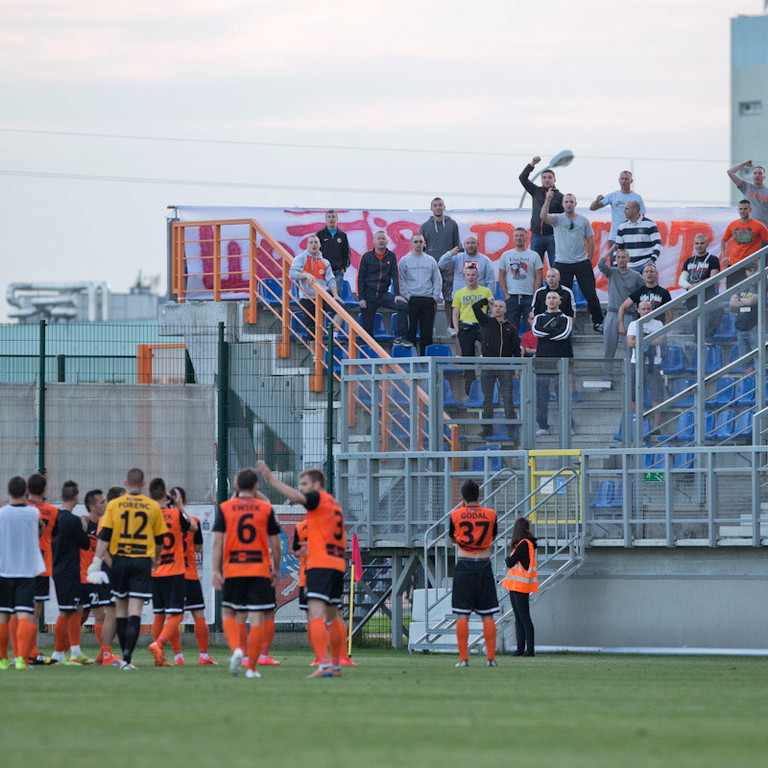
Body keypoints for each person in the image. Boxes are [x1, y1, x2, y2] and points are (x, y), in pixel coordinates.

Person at [256, 462, 349, 679]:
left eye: (305, 484)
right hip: (336, 564)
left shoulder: (317, 497)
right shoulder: (333, 505)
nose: (302, 488)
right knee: (333, 615)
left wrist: (271, 479)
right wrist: (312, 546)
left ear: (317, 484)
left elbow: (298, 498)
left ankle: (324, 664)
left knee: (315, 614)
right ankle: (335, 665)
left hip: (320, 566)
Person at [87, 468, 167, 671]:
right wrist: (156, 559)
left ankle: (125, 660)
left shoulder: (114, 505)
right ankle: (128, 658)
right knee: (135, 611)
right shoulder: (152, 506)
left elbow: (104, 536)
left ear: (125, 483)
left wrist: (96, 562)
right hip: (141, 560)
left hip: (120, 561)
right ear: (143, 484)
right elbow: (159, 540)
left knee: (120, 610)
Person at [211, 468, 281, 680]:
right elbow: (276, 544)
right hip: (259, 568)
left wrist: (215, 569)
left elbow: (217, 542)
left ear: (236, 486)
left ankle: (237, 650)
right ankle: (251, 668)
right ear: (257, 485)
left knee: (228, 613)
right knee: (257, 617)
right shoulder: (265, 508)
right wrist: (276, 569)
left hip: (233, 568)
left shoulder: (225, 508)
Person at [449, 480, 499, 668]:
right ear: (479, 495)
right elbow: (492, 536)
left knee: (462, 616)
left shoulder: (455, 514)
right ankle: (491, 658)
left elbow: (453, 537)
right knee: (488, 615)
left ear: (462, 496)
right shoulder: (491, 514)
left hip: (464, 565)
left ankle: (464, 659)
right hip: (484, 565)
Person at [540, 189, 604, 333]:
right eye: (566, 202)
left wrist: (588, 259)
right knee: (562, 296)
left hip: (581, 262)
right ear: (563, 204)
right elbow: (543, 216)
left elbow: (591, 240)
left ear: (575, 203)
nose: (569, 204)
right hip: (562, 263)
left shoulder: (583, 220)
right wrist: (548, 200)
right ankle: (564, 323)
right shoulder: (557, 219)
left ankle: (598, 322)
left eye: (571, 202)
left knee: (590, 294)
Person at [0, 476, 46, 671]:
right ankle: (20, 659)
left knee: (3, 615)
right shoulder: (34, 513)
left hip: (5, 569)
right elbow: (41, 530)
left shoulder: (1, 514)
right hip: (27, 571)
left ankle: (2, 660)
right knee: (24, 614)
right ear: (26, 491)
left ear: (8, 492)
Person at [148, 480, 196, 667]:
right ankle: (158, 644)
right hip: (174, 571)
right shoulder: (175, 514)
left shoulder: (148, 516)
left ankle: (159, 657)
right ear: (166, 496)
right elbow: (193, 527)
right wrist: (180, 506)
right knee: (176, 614)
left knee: (159, 614)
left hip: (155, 571)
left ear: (150, 496)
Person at [173, 487, 216, 665]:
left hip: (171, 574)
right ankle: (203, 655)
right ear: (186, 500)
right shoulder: (195, 521)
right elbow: (198, 548)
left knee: (172, 615)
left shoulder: (163, 520)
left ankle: (177, 656)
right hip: (189, 573)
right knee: (198, 613)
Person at [51, 480, 91, 665]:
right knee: (66, 611)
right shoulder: (74, 521)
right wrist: (83, 528)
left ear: (61, 496)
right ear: (76, 498)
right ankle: (59, 653)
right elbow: (85, 544)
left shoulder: (54, 518)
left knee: (77, 608)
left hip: (58, 568)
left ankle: (75, 651)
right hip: (69, 571)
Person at [472, 297, 521, 439]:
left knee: (508, 398)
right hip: (488, 365)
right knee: (487, 399)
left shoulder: (511, 328)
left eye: (501, 306)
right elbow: (475, 307)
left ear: (505, 310)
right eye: (496, 306)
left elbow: (516, 350)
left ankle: (511, 430)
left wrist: (517, 367)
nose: (498, 308)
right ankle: (487, 429)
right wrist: (486, 301)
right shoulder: (486, 322)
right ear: (492, 309)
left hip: (505, 367)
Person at [23, 472, 58, 666]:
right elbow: (54, 536)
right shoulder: (52, 511)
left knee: (19, 611)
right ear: (45, 490)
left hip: (21, 565)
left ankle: (25, 653)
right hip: (42, 565)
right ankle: (28, 653)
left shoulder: (21, 509)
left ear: (27, 489)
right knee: (34, 612)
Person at [356, 230, 410, 346]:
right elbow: (360, 278)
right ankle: (368, 348)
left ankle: (399, 337)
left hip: (383, 294)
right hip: (368, 295)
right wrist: (361, 297)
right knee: (367, 329)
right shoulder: (366, 257)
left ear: (387, 241)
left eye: (383, 238)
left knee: (403, 306)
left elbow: (395, 276)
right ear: (374, 241)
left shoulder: (391, 256)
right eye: (378, 238)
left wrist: (397, 295)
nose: (381, 240)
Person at [598, 248, 644, 378]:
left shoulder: (636, 275)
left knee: (630, 350)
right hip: (612, 313)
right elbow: (600, 264)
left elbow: (645, 289)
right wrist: (612, 249)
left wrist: (638, 306)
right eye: (618, 257)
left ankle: (633, 378)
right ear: (615, 259)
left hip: (628, 315)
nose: (621, 260)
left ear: (628, 259)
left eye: (624, 257)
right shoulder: (612, 272)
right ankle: (607, 377)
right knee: (608, 348)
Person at [533, 291, 573, 437]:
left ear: (559, 301)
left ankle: (568, 425)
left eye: (554, 297)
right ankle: (543, 426)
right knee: (541, 395)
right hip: (543, 361)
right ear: (545, 301)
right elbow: (537, 332)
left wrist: (547, 334)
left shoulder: (566, 318)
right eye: (548, 298)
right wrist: (553, 333)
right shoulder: (539, 317)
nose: (551, 300)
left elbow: (564, 334)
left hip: (560, 361)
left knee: (562, 395)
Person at [79, 489, 112, 665]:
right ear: (92, 507)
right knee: (99, 615)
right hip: (85, 577)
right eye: (101, 502)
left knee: (84, 616)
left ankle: (102, 655)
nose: (105, 505)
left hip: (96, 577)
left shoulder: (104, 525)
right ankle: (105, 654)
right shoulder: (82, 524)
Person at [419, 197, 461, 331]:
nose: (438, 207)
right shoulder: (425, 226)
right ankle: (431, 327)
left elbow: (457, 246)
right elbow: (421, 248)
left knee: (449, 298)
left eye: (440, 205)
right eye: (435, 205)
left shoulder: (452, 224)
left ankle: (450, 326)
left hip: (449, 267)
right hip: (431, 268)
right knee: (432, 299)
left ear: (444, 207)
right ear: (431, 208)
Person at [289, 234, 341, 341]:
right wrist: (304, 275)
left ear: (320, 245)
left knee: (341, 311)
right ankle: (314, 357)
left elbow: (331, 279)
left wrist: (335, 295)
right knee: (312, 331)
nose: (313, 244)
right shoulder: (300, 258)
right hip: (307, 298)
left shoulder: (325, 262)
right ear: (307, 245)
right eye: (311, 242)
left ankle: (334, 336)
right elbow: (292, 274)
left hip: (323, 295)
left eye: (316, 242)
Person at [451, 264, 494, 393]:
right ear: (464, 276)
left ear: (478, 276)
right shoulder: (459, 293)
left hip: (481, 325)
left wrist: (489, 324)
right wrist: (458, 331)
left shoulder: (485, 291)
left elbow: (493, 309)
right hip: (465, 326)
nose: (471, 277)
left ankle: (488, 380)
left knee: (488, 351)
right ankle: (469, 388)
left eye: (473, 275)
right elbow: (455, 313)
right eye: (468, 275)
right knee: (467, 358)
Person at [501, 516, 538, 657]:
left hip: (520, 586)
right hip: (516, 585)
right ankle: (521, 649)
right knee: (520, 617)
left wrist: (507, 559)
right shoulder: (526, 544)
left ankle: (529, 650)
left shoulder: (523, 544)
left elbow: (510, 562)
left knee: (523, 617)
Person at [519, 156, 564, 267]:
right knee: (535, 267)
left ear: (554, 180)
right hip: (536, 235)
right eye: (544, 177)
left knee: (555, 266)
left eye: (549, 177)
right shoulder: (536, 191)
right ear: (541, 180)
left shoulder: (560, 196)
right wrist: (532, 164)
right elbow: (522, 178)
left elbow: (563, 219)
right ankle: (536, 285)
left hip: (553, 236)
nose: (547, 179)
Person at [399, 233, 441, 354]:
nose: (418, 244)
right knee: (410, 332)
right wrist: (407, 296)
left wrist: (434, 297)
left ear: (424, 244)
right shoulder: (405, 260)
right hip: (412, 300)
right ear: (411, 244)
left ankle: (425, 360)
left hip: (428, 299)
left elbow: (437, 279)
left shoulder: (430, 260)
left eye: (420, 242)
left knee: (426, 334)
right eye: (416, 242)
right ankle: (410, 359)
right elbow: (401, 279)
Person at [627, 301, 665, 428]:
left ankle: (656, 426)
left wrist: (639, 339)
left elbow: (659, 340)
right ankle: (636, 426)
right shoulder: (633, 324)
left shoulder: (658, 324)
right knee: (633, 396)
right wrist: (649, 339)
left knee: (656, 396)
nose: (646, 311)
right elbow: (630, 343)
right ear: (638, 310)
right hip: (636, 362)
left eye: (649, 308)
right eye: (643, 309)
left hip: (654, 363)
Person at [498, 227, 543, 333]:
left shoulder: (534, 255)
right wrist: (506, 295)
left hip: (529, 298)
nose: (519, 238)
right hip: (512, 297)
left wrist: (534, 295)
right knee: (510, 329)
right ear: (513, 238)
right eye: (516, 235)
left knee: (532, 328)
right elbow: (501, 276)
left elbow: (538, 277)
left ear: (526, 238)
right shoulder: (506, 255)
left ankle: (531, 349)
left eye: (521, 235)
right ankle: (513, 350)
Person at [679, 234, 723, 340]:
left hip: (708, 295)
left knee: (714, 315)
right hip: (693, 297)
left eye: (702, 243)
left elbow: (713, 278)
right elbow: (681, 280)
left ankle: (708, 340)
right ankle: (699, 343)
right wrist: (690, 288)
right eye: (697, 243)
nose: (699, 246)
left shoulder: (713, 259)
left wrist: (695, 286)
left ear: (707, 244)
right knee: (696, 323)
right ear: (694, 245)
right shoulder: (689, 261)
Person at [589, 171, 646, 246]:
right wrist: (597, 200)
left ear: (631, 181)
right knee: (614, 258)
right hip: (615, 237)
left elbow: (642, 218)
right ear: (619, 180)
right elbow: (592, 208)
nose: (624, 181)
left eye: (626, 179)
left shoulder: (637, 198)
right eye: (622, 179)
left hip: (632, 238)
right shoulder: (613, 196)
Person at [720, 200, 768, 288]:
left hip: (751, 265)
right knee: (732, 292)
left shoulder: (758, 225)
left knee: (751, 291)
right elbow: (723, 240)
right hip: (734, 264)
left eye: (745, 209)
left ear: (750, 210)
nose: (743, 211)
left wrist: (764, 260)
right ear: (738, 210)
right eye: (741, 209)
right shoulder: (733, 225)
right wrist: (724, 257)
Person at [618, 263, 673, 336]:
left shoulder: (664, 292)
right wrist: (621, 326)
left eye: (651, 271)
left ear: (656, 274)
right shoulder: (639, 291)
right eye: (646, 272)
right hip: (641, 329)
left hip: (657, 328)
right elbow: (622, 307)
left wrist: (664, 329)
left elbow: (670, 314)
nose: (649, 274)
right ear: (642, 275)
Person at [438, 234, 496, 299]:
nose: (470, 246)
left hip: (479, 299)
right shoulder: (457, 258)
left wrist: (488, 297)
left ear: (478, 244)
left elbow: (491, 281)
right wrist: (450, 254)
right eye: (467, 243)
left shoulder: (486, 261)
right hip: (459, 299)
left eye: (473, 243)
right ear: (464, 245)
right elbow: (441, 264)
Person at [728, 260, 759, 375]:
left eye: (754, 270)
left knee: (758, 356)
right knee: (745, 359)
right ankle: (751, 383)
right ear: (746, 272)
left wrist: (739, 300)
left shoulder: (760, 284)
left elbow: (752, 300)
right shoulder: (741, 286)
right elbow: (731, 305)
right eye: (749, 270)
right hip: (741, 326)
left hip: (754, 325)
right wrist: (743, 302)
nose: (751, 273)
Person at [614, 201, 662, 272]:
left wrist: (652, 260)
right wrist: (616, 265)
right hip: (629, 266)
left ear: (635, 210)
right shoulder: (622, 227)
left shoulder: (649, 224)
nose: (624, 211)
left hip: (646, 264)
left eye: (627, 209)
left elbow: (657, 244)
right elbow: (617, 249)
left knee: (651, 280)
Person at [316, 209, 350, 297]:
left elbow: (346, 252)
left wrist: (343, 268)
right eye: (329, 217)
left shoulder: (342, 235)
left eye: (333, 217)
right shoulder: (320, 234)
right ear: (326, 219)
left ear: (337, 218)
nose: (331, 219)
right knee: (323, 295)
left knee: (336, 296)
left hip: (338, 271)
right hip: (324, 271)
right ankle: (323, 311)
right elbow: (315, 252)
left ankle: (335, 311)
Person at [727, 160, 768, 228]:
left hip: (764, 228)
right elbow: (730, 172)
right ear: (752, 176)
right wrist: (743, 164)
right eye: (755, 173)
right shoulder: (746, 187)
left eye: (760, 173)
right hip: (749, 228)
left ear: (764, 176)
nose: (757, 175)